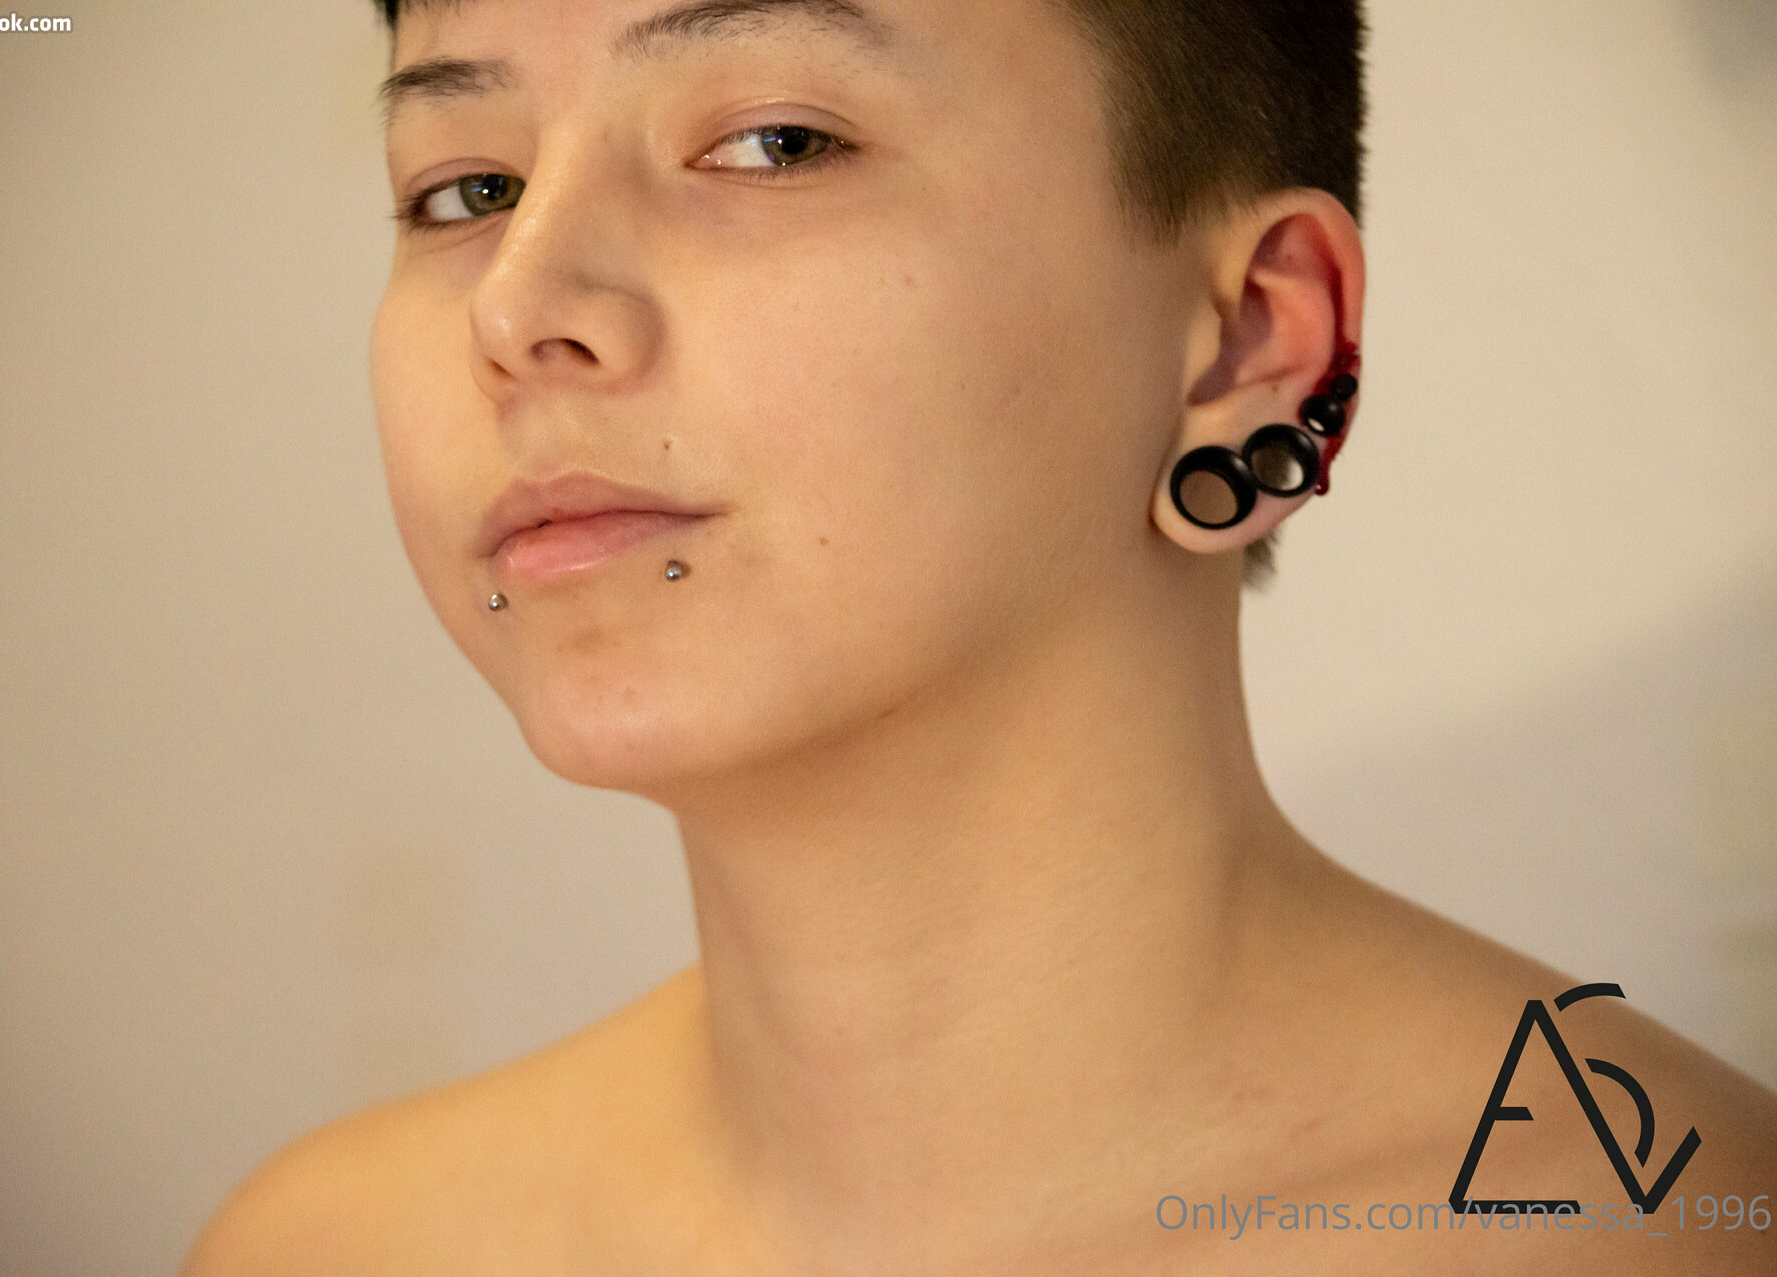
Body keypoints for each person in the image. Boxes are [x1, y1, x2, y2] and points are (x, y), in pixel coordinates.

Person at [183, 0, 1777, 1271]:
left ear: (1251, 343)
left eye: (775, 142)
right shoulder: (332, 1250)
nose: (516, 305)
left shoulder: (1661, 1240)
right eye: (465, 190)